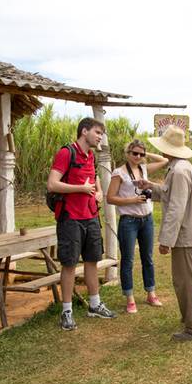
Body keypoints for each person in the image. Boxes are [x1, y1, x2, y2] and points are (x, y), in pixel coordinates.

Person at [138, 125, 192, 342]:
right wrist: (151, 187)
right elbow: (171, 195)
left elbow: (176, 208)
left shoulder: (178, 170)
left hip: (184, 234)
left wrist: (165, 240)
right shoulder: (181, 167)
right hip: (189, 232)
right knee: (190, 279)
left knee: (185, 281)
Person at [47, 117, 117, 331]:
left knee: (92, 261)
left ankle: (94, 305)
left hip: (90, 216)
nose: (100, 136)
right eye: (97, 132)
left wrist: (97, 192)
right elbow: (52, 184)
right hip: (70, 218)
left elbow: (93, 180)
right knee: (69, 264)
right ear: (84, 131)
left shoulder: (90, 157)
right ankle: (66, 312)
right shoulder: (67, 153)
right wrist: (81, 189)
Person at [106, 139, 169, 313]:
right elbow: (110, 198)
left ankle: (151, 293)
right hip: (129, 220)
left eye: (141, 154)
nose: (138, 157)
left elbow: (164, 161)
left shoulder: (143, 168)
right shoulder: (119, 172)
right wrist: (132, 200)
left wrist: (145, 154)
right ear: (127, 153)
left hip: (146, 219)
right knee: (128, 260)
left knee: (148, 258)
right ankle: (130, 298)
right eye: (135, 153)